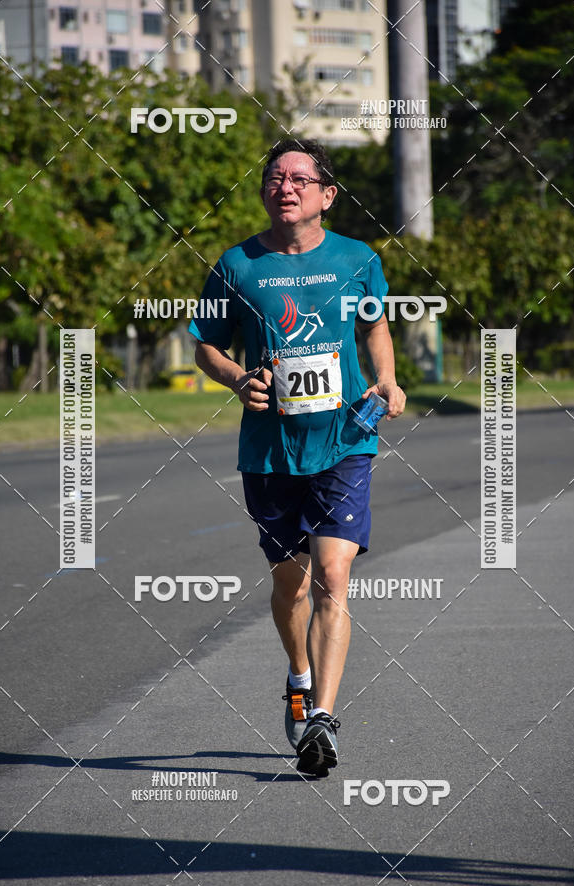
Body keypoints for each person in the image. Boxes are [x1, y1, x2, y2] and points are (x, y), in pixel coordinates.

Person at [189, 138, 406, 777]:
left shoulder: (357, 259)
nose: (284, 186)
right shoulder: (237, 264)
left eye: (298, 179)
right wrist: (237, 378)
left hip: (344, 440)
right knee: (292, 582)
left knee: (334, 576)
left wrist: (387, 380)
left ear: (326, 195)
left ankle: (321, 720)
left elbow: (374, 326)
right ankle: (298, 674)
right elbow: (205, 343)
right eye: (274, 178)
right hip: (269, 450)